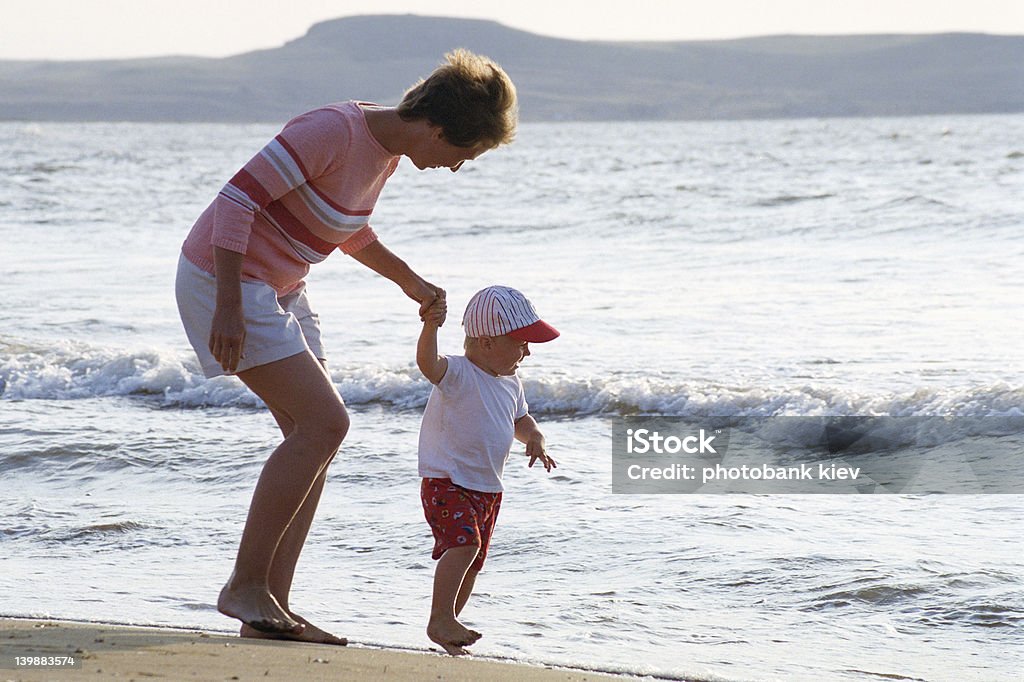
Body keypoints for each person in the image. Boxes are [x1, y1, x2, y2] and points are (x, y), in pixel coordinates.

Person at [174, 50, 518, 645]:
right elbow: (236, 200)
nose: (458, 168)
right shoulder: (333, 129)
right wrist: (228, 304)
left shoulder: (383, 151)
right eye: (464, 154)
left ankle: (269, 607)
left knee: (314, 439)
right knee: (324, 425)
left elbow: (345, 225)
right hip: (223, 279)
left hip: (278, 287)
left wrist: (408, 279)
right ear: (436, 129)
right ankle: (244, 585)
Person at [416, 285, 560, 655]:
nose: (527, 352)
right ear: (486, 342)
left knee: (473, 562)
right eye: (522, 343)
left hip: (488, 488)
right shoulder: (458, 372)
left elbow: (520, 419)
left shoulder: (512, 382)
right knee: (464, 545)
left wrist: (535, 436)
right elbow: (427, 365)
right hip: (447, 480)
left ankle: (449, 627)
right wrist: (430, 327)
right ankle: (439, 619)